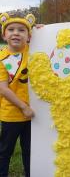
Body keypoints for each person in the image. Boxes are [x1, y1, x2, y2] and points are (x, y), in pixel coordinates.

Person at [0, 13, 37, 177]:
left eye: (22, 30)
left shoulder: (34, 50)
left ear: (29, 36)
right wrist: (23, 107)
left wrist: (42, 31)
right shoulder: (2, 58)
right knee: (5, 150)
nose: (16, 33)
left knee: (30, 151)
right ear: (4, 35)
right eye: (11, 29)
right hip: (12, 115)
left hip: (34, 114)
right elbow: (3, 89)